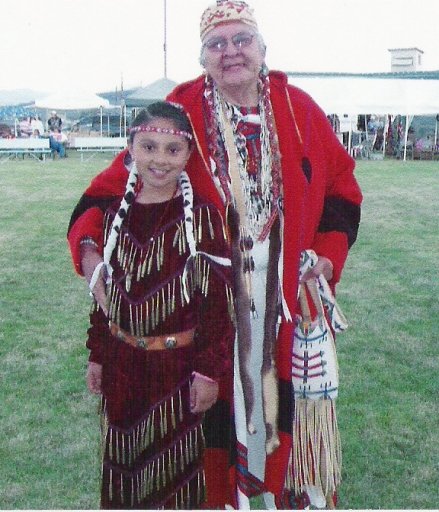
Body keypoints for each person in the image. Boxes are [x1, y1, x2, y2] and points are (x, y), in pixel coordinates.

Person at [67, 1, 362, 509]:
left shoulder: (299, 110)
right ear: (202, 57)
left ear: (262, 47)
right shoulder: (180, 112)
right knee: (208, 430)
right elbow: (109, 189)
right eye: (217, 44)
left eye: (241, 39)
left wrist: (329, 256)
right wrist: (92, 254)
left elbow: (341, 190)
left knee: (279, 416)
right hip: (207, 313)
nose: (231, 52)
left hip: (284, 306)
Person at [81, 102, 235, 509]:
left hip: (176, 373)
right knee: (126, 473)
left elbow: (217, 309)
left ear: (188, 156)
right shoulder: (116, 215)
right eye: (148, 147)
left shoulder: (202, 219)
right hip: (124, 368)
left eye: (172, 150)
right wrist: (98, 355)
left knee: (174, 478)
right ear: (130, 149)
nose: (160, 160)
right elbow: (104, 298)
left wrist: (207, 372)